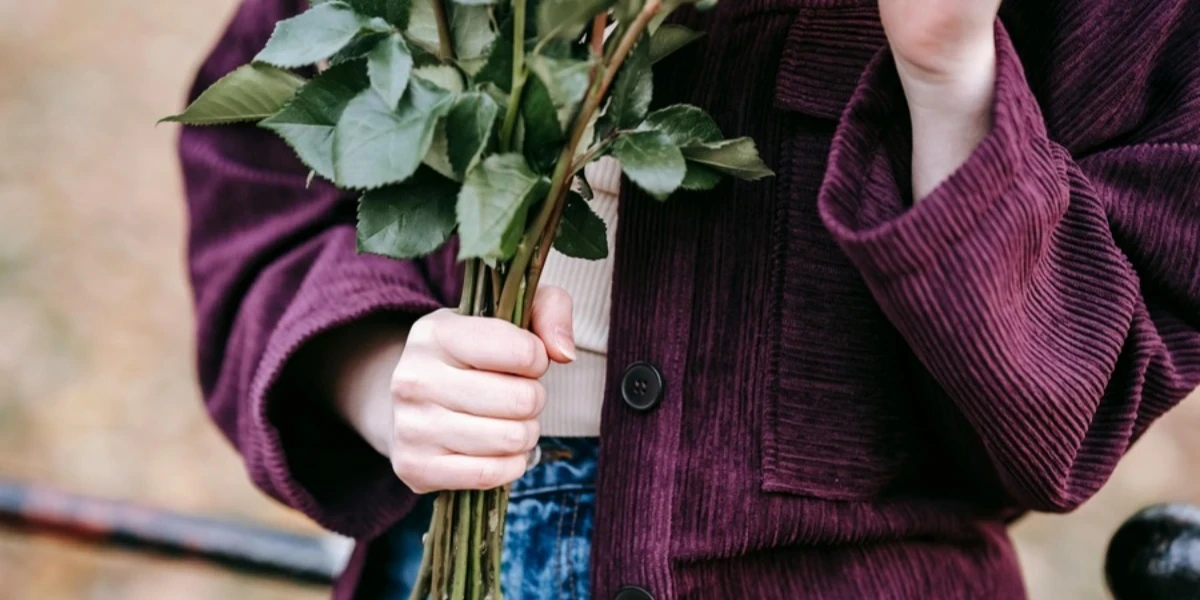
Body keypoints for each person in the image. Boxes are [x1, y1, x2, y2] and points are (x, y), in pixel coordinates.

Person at [179, 0, 1200, 598]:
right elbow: (263, 166)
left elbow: (1074, 405)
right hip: (440, 563)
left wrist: (950, 73)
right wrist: (376, 373)